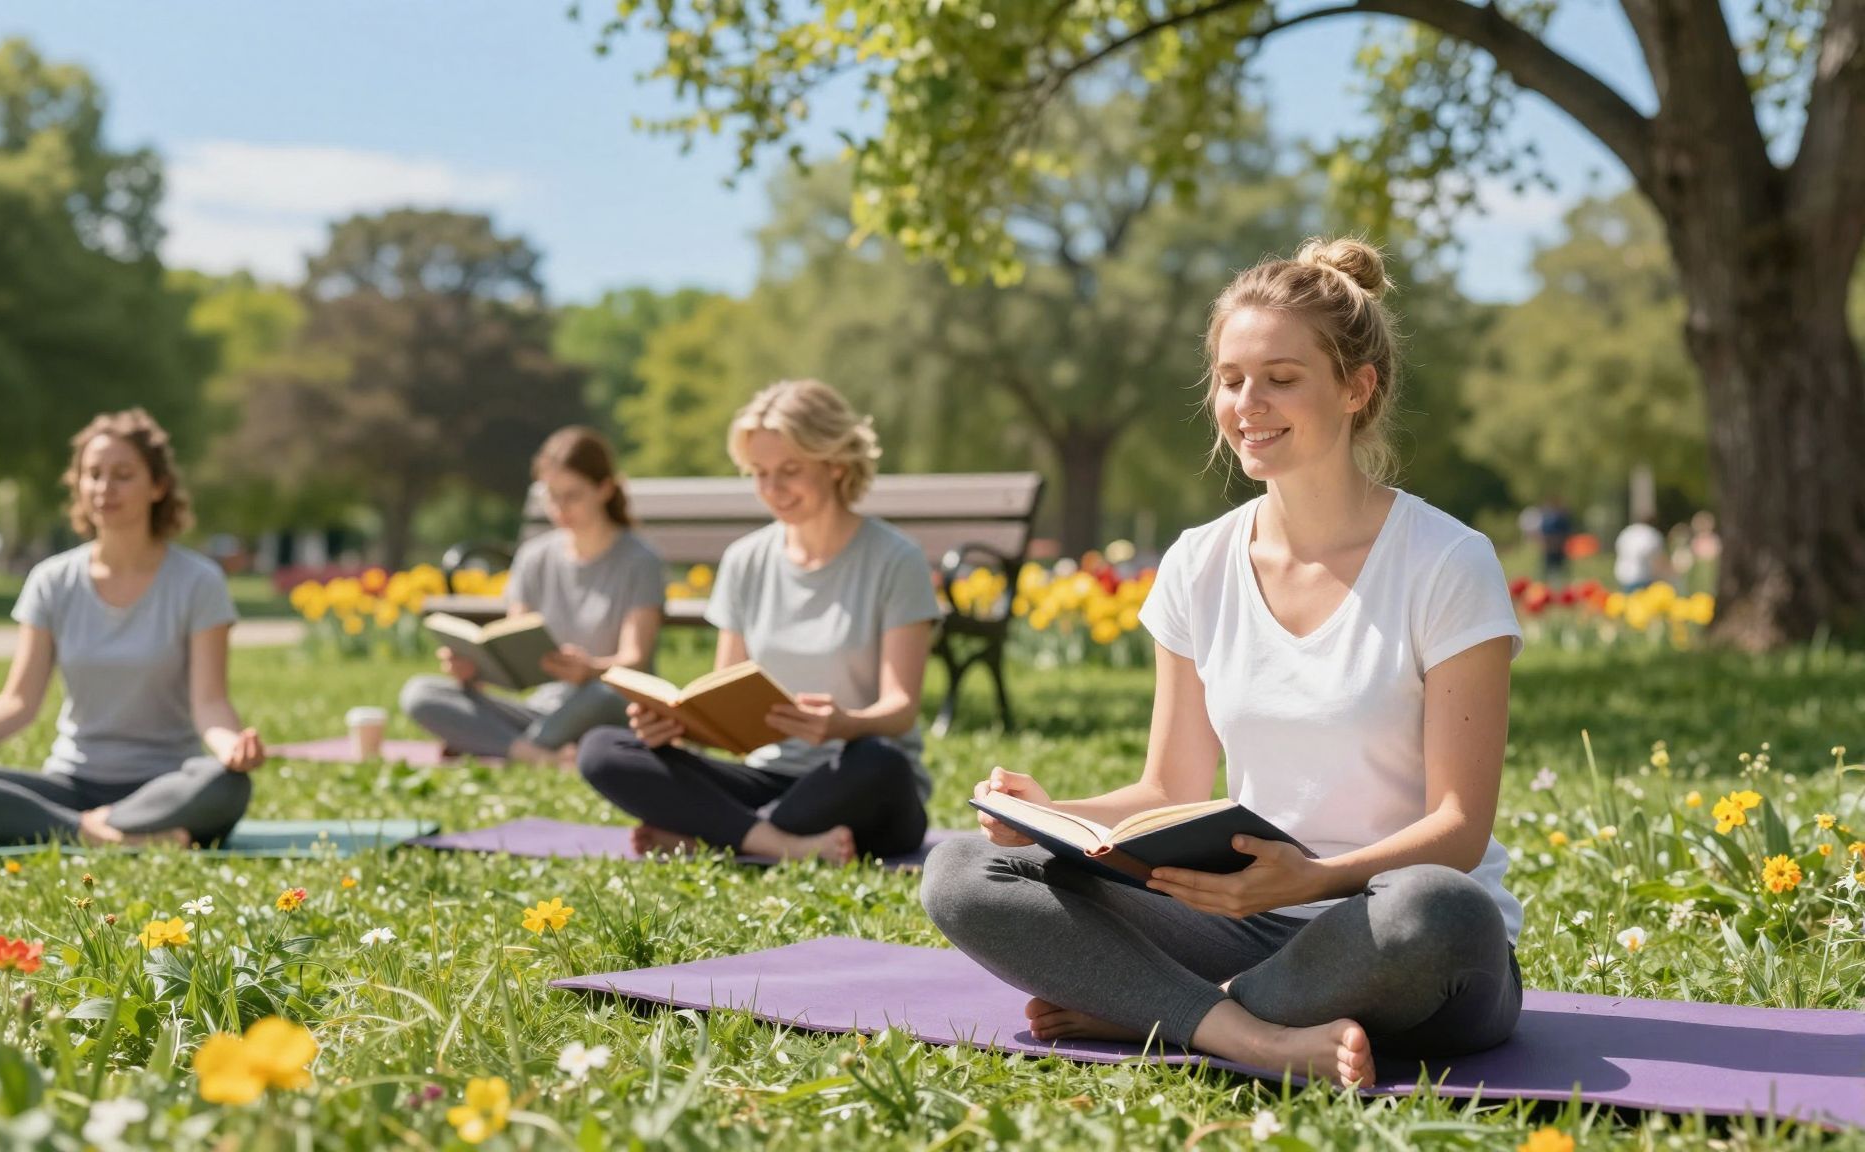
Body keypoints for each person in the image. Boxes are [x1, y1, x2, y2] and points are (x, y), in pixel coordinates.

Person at [921, 238, 1525, 1089]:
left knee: (1441, 910)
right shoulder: (1198, 564)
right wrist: (1052, 815)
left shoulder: (1447, 562)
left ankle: (1171, 1010)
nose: (1249, 403)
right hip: (1235, 918)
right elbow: (1166, 787)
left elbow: (1458, 828)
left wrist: (1312, 880)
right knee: (960, 870)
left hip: (1386, 933)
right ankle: (1252, 1033)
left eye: (1282, 377)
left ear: (1357, 388)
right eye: (1231, 378)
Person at [576, 379, 941, 863]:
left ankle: (715, 835)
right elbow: (723, 700)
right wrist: (676, 726)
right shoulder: (745, 560)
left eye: (790, 470)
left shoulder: (897, 560)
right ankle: (780, 844)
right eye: (760, 472)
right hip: (768, 777)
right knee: (603, 749)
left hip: (857, 783)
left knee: (880, 761)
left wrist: (842, 724)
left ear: (835, 463)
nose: (772, 490)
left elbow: (901, 708)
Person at [0, 410, 261, 847]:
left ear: (158, 486)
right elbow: (17, 702)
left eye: (123, 475)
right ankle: (103, 833)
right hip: (70, 783)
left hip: (165, 786)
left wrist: (231, 749)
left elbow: (211, 703)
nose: (105, 488)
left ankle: (79, 826)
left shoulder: (199, 582)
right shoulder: (52, 581)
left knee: (226, 785)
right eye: (94, 474)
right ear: (79, 485)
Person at [400, 426, 664, 766]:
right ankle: (540, 754)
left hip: (607, 704)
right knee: (420, 693)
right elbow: (515, 649)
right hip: (544, 710)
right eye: (551, 496)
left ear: (604, 489)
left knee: (599, 693)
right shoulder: (534, 557)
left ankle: (510, 749)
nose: (560, 508)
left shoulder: (639, 561)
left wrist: (591, 669)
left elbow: (636, 660)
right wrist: (477, 670)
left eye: (572, 495)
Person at [1613, 512, 1668, 592]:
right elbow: (1657, 558)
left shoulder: (1627, 531)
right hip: (1641, 575)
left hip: (1622, 573)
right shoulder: (1651, 534)